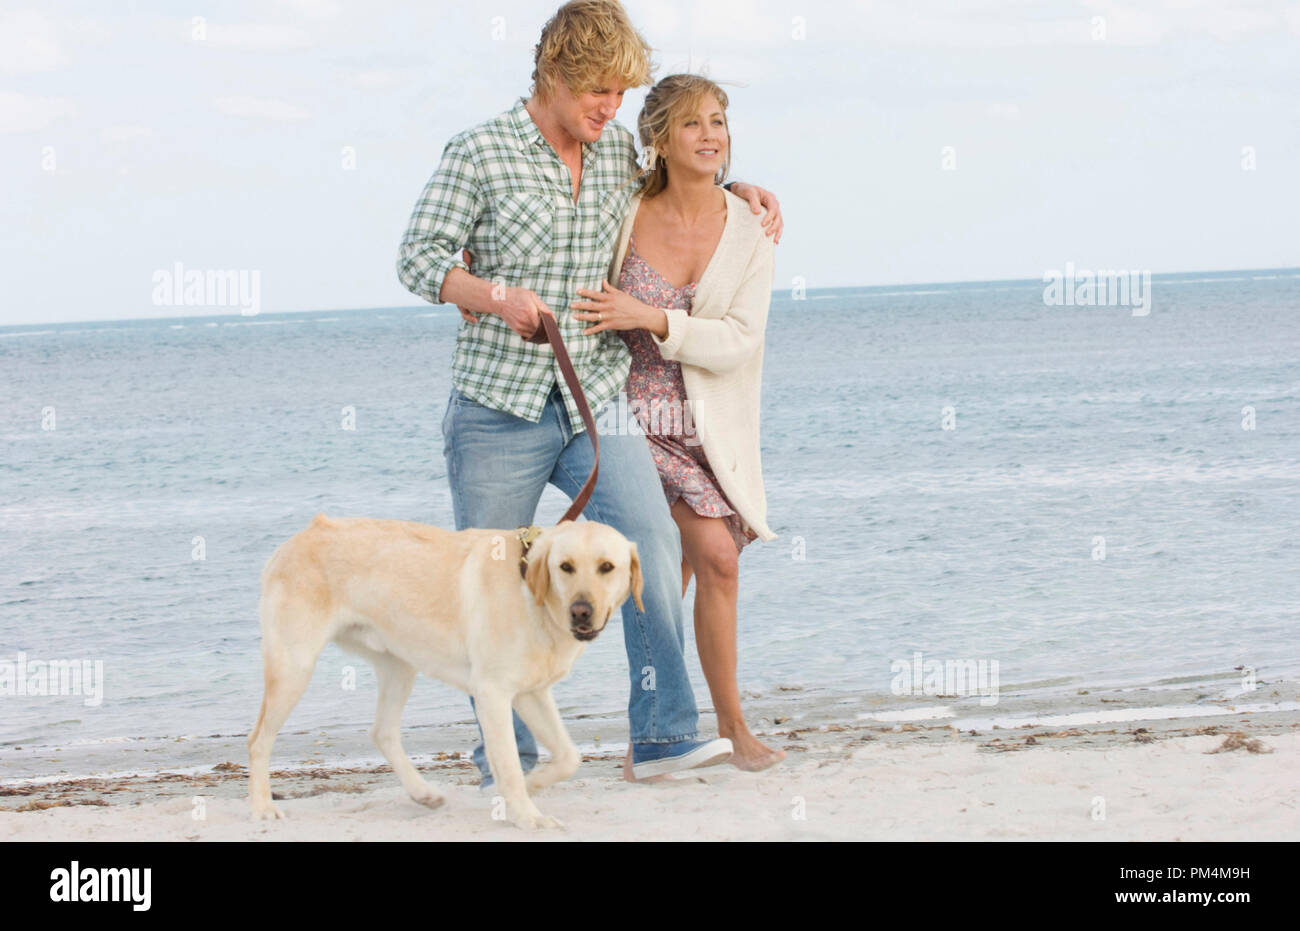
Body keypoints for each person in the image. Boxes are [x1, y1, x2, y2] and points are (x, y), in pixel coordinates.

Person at [395, 0, 784, 786]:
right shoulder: (479, 151)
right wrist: (493, 295)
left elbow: (674, 181)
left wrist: (740, 184)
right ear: (551, 74)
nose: (609, 107)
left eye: (618, 90)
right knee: (498, 584)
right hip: (494, 408)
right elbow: (416, 258)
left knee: (649, 542)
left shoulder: (612, 157)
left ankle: (665, 735)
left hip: (594, 398)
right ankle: (508, 758)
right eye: (595, 90)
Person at [569, 74, 784, 771]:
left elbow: (741, 338)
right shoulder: (622, 205)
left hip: (704, 426)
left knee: (681, 573)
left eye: (719, 121)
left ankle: (671, 735)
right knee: (708, 559)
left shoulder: (749, 227)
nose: (711, 135)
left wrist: (655, 318)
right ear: (658, 137)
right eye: (692, 124)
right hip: (626, 414)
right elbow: (560, 219)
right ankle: (707, 730)